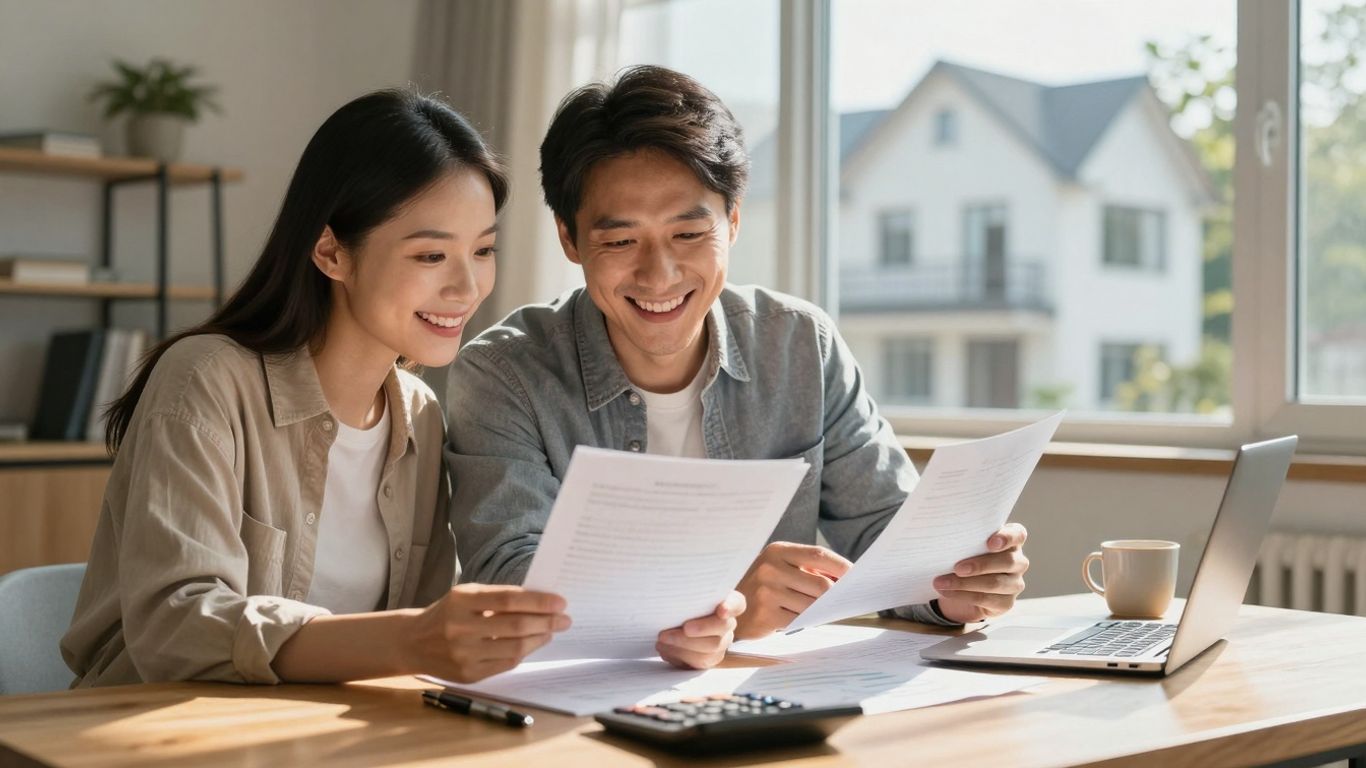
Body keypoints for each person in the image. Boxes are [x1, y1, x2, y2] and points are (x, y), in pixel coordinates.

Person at [446, 65, 1029, 643]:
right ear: (569, 239)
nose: (660, 274)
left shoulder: (800, 345)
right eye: (621, 241)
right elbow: (508, 584)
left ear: (733, 219)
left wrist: (954, 587)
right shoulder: (505, 372)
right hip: (577, 710)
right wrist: (720, 602)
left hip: (766, 698)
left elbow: (890, 534)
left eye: (689, 234)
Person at [61, 89, 576, 687]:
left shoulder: (421, 417)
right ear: (332, 251)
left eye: (483, 250)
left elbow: (422, 649)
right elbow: (176, 625)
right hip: (152, 734)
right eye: (432, 255)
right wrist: (406, 639)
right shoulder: (207, 379)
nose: (467, 287)